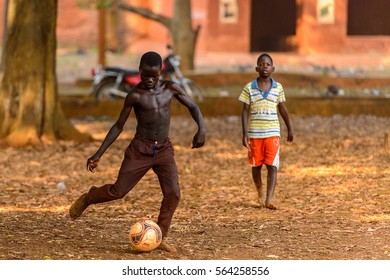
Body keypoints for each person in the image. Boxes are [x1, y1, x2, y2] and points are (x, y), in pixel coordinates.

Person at [69, 51, 206, 253]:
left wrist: (201, 129)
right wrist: (98, 153)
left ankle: (159, 236)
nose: (149, 80)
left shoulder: (171, 88)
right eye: (145, 75)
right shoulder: (135, 95)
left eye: (154, 76)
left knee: (173, 194)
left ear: (160, 72)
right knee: (118, 191)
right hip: (140, 149)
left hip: (164, 149)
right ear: (139, 71)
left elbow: (193, 106)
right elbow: (118, 126)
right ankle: (90, 197)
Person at [239, 53, 293, 210]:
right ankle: (260, 194)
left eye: (268, 64)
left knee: (272, 166)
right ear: (257, 68)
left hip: (272, 133)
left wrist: (289, 128)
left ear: (273, 68)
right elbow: (244, 111)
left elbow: (282, 109)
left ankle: (269, 199)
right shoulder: (249, 88)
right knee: (256, 166)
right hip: (255, 134)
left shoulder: (278, 88)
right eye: (261, 64)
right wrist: (244, 133)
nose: (265, 67)